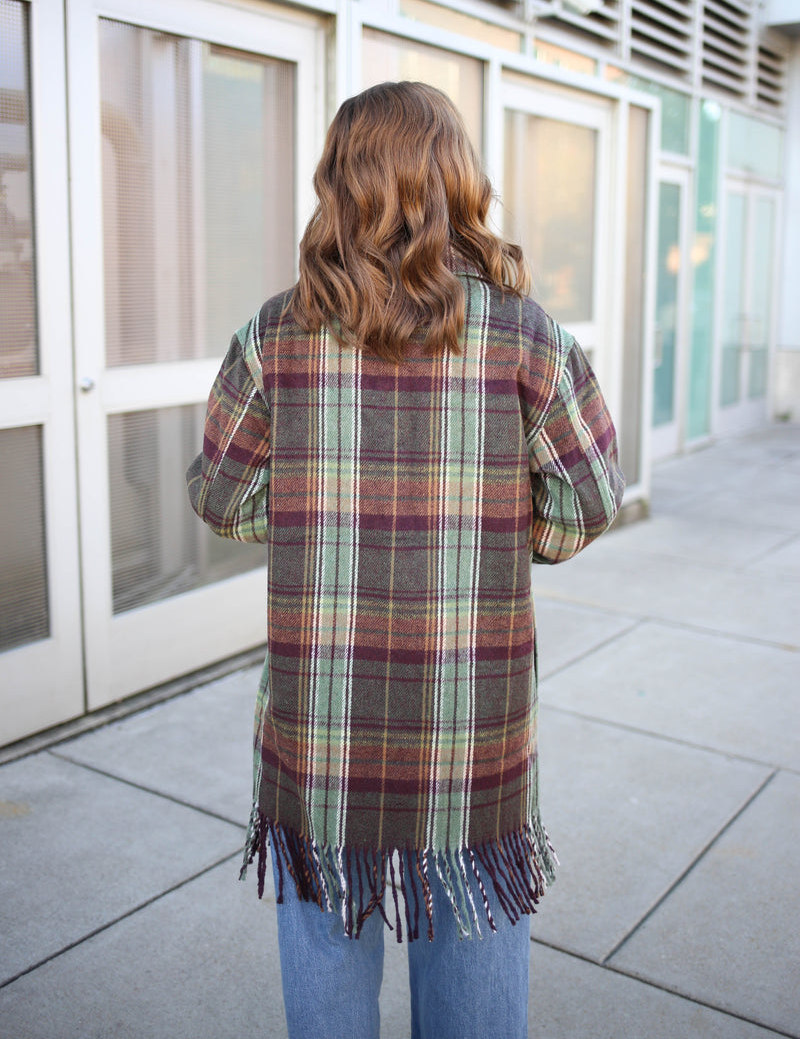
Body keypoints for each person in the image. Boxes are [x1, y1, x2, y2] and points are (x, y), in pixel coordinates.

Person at [187, 81, 625, 1039]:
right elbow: (587, 503)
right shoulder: (527, 335)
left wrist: (316, 526)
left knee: (327, 971)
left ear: (339, 185)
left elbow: (221, 498)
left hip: (321, 729)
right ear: (459, 182)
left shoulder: (274, 337)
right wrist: (507, 538)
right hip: (472, 728)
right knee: (474, 952)